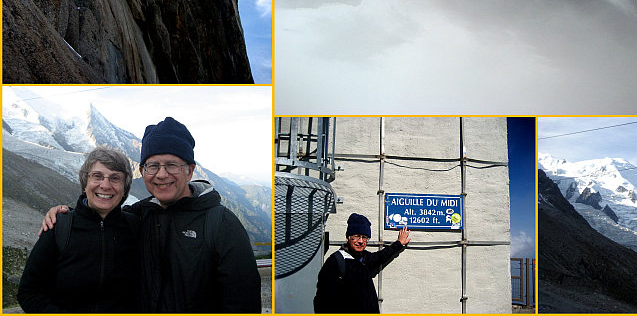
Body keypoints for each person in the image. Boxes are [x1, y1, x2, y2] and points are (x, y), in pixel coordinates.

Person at [42, 117, 261, 313]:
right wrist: (66, 214)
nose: (161, 174)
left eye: (172, 165)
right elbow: (100, 217)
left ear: (189, 170)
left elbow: (243, 305)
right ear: (143, 171)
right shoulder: (139, 215)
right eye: (153, 166)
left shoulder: (221, 223)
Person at [18, 146, 140, 312]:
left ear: (124, 187)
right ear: (85, 182)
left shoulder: (136, 227)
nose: (105, 185)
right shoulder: (59, 227)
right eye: (97, 176)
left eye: (115, 178)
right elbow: (29, 292)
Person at [314, 213, 410, 313]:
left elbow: (380, 256)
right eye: (357, 236)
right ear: (348, 238)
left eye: (364, 237)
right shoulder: (335, 261)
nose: (360, 241)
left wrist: (398, 243)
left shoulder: (364, 257)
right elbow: (322, 300)